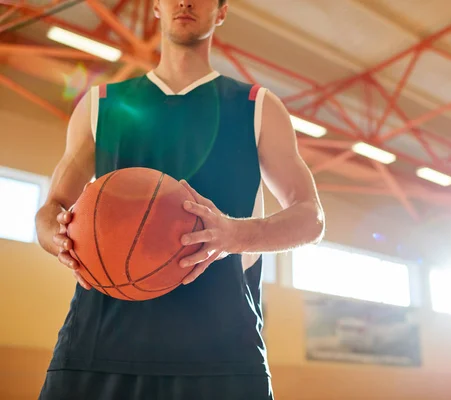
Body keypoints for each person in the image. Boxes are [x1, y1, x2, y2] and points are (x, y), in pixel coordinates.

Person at [34, 0, 325, 398]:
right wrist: (59, 239)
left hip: (222, 354)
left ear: (221, 12)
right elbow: (50, 210)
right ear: (156, 6)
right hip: (97, 347)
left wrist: (235, 236)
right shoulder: (101, 104)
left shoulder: (257, 106)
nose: (185, 1)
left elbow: (311, 218)